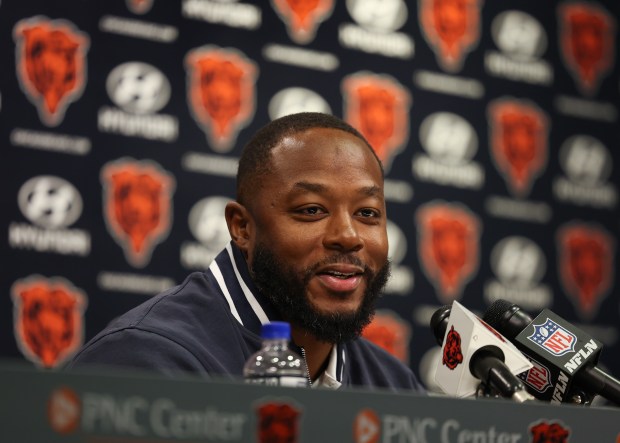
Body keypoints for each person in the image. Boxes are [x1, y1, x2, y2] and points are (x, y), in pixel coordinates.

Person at [68, 112, 425, 392]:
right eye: (312, 210)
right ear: (242, 227)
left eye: (367, 213)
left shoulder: (392, 384)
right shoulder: (149, 361)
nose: (348, 236)